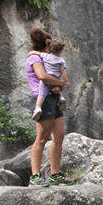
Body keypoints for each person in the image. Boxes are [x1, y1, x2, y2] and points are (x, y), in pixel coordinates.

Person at [25, 28, 74, 186]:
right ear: (44, 45)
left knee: (59, 136)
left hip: (54, 98)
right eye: (49, 44)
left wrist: (58, 86)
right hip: (43, 99)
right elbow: (43, 76)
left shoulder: (46, 59)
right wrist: (60, 83)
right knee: (42, 137)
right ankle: (35, 176)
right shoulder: (35, 57)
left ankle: (55, 174)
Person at [32, 39, 70, 121]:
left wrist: (31, 53)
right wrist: (66, 81)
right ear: (60, 51)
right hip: (56, 79)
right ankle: (61, 97)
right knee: (58, 87)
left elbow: (36, 53)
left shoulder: (45, 56)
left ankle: (38, 108)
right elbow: (63, 71)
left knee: (41, 94)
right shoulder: (61, 60)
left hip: (48, 79)